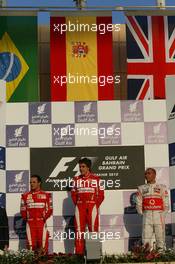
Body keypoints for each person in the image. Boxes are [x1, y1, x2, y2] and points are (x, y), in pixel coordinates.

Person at [71, 158, 104, 255]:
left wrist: (94, 205)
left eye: (83, 167)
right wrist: (78, 204)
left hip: (92, 206)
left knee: (93, 230)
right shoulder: (76, 179)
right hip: (80, 206)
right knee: (78, 231)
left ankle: (94, 255)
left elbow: (101, 195)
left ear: (88, 167)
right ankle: (79, 255)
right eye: (80, 167)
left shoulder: (97, 179)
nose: (81, 169)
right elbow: (73, 195)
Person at [136, 168, 169, 252]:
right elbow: (139, 203)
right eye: (146, 174)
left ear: (154, 175)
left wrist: (162, 214)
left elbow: (166, 203)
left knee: (160, 236)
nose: (146, 175)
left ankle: (161, 254)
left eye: (149, 173)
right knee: (146, 237)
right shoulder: (141, 188)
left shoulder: (162, 187)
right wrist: (143, 214)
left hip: (159, 215)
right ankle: (146, 255)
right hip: (147, 215)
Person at [20, 175, 53, 253]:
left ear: (39, 183)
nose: (32, 184)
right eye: (30, 182)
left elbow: (50, 209)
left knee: (43, 247)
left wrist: (43, 218)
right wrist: (28, 219)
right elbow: (23, 210)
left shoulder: (46, 195)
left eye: (34, 182)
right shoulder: (25, 196)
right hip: (30, 224)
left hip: (41, 223)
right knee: (30, 247)